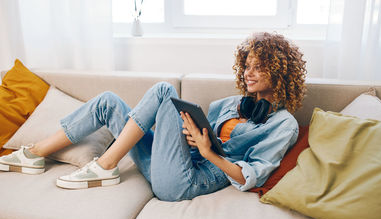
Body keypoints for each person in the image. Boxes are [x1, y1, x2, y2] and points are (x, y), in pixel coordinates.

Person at [0, 32, 307, 202]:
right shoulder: (231, 103)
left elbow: (250, 176)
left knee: (163, 90)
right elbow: (198, 135)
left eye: (258, 67)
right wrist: (189, 137)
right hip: (171, 163)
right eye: (246, 66)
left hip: (185, 182)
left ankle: (106, 166)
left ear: (280, 72)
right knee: (108, 102)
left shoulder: (284, 125)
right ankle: (34, 154)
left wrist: (205, 151)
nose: (248, 73)